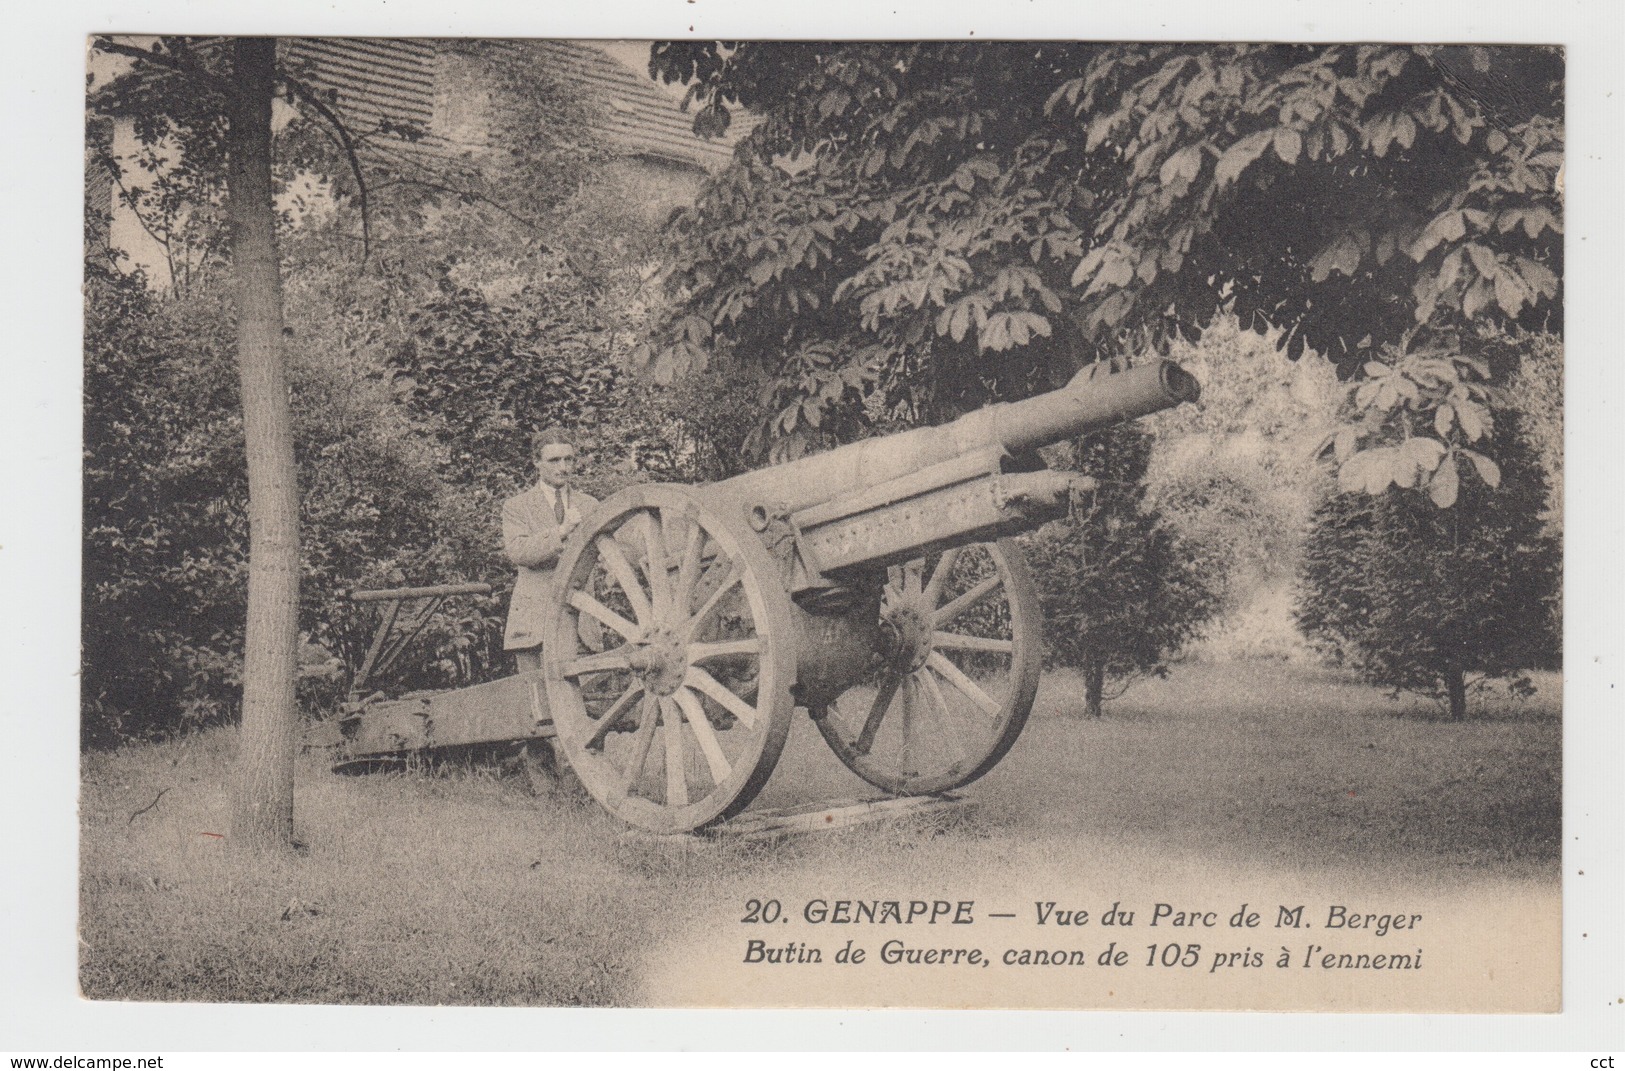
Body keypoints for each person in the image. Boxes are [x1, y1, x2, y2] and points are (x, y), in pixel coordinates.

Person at [502, 429, 598, 673]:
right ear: (537, 462)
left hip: (581, 626)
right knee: (539, 705)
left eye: (569, 459)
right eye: (554, 460)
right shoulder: (517, 507)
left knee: (590, 705)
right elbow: (519, 552)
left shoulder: (590, 505)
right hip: (535, 628)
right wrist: (561, 532)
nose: (563, 467)